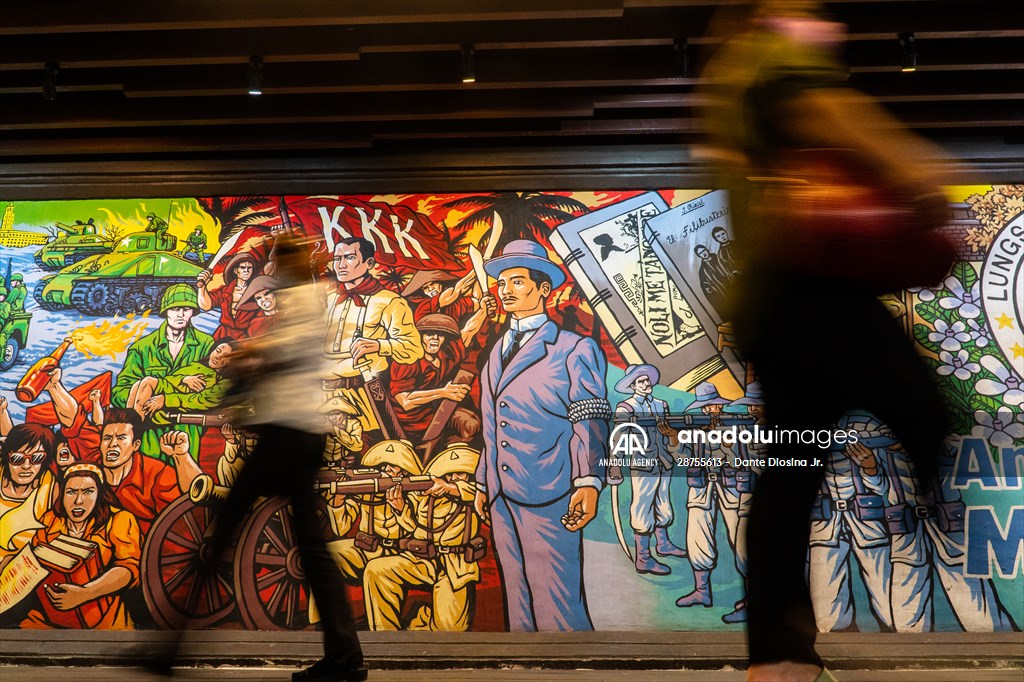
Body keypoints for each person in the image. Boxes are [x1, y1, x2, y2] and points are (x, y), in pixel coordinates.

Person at [700, 1, 951, 679]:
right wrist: (910, 164)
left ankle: (777, 657)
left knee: (790, 471)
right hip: (814, 288)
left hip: (774, 305)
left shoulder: (729, 73)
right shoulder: (775, 55)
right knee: (923, 407)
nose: (813, 13)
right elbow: (819, 109)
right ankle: (933, 502)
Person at [155, 233, 366, 682]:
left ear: (293, 264)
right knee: (308, 550)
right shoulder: (302, 296)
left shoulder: (310, 297)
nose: (272, 270)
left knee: (224, 531)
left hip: (287, 437)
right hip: (294, 435)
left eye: (278, 262)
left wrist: (251, 354)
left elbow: (287, 349)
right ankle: (346, 657)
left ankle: (171, 646)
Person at [473, 239, 610, 631]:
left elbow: (590, 418)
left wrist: (588, 482)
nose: (505, 290)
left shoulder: (573, 348)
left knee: (557, 604)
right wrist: (485, 483)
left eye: (517, 281)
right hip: (502, 494)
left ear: (543, 289)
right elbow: (492, 424)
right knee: (519, 606)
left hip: (550, 490)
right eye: (502, 283)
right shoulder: (497, 350)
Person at [322, 237, 422, 442]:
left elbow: (413, 348)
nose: (341, 265)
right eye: (337, 258)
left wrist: (378, 345)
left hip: (365, 393)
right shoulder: (329, 300)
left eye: (349, 257)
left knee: (375, 454)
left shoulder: (390, 301)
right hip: (324, 395)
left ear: (369, 264)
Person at [22, 463, 142, 630]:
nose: (78, 501)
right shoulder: (50, 520)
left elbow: (128, 568)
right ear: (62, 494)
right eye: (71, 492)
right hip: (48, 618)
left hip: (103, 620)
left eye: (87, 492)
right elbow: (32, 560)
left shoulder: (119, 520)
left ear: (100, 494)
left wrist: (86, 593)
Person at [112, 284, 216, 460]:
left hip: (187, 430)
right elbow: (119, 392)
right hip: (148, 432)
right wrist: (146, 394)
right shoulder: (142, 348)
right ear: (165, 311)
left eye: (187, 309)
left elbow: (209, 389)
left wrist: (164, 397)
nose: (181, 314)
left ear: (193, 312)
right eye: (175, 309)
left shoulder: (206, 344)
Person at [609, 364, 687, 577]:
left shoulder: (661, 404)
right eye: (640, 381)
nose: (645, 384)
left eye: (646, 380)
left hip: (664, 461)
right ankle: (643, 557)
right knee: (642, 507)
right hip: (643, 463)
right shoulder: (626, 408)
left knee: (663, 503)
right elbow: (618, 438)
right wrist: (615, 464)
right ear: (633, 385)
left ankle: (663, 544)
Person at [197, 252, 261, 341]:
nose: (246, 271)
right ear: (236, 271)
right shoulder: (226, 291)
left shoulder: (257, 292)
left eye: (249, 268)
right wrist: (202, 287)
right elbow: (206, 305)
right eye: (243, 267)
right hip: (223, 334)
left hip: (245, 336)